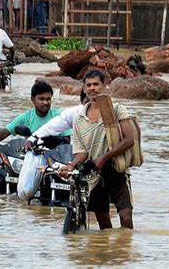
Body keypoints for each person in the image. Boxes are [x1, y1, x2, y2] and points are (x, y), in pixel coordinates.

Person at [59, 70, 135, 230]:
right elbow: (82, 152)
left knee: (126, 219)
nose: (92, 88)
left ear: (105, 86)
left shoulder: (116, 110)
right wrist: (71, 166)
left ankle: (123, 252)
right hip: (96, 175)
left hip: (118, 171)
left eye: (96, 84)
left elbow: (129, 140)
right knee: (104, 225)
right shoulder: (79, 119)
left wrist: (105, 158)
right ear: (84, 88)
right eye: (89, 85)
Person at [0, 80, 72, 147]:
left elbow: (67, 141)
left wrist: (53, 141)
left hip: (54, 158)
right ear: (32, 99)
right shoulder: (26, 117)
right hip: (31, 156)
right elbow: (6, 131)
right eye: (41, 99)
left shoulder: (59, 116)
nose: (45, 102)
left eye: (48, 99)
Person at [24, 88, 88, 149]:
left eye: (94, 101)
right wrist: (31, 139)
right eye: (87, 102)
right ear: (81, 101)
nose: (91, 105)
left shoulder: (56, 113)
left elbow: (67, 140)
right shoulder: (74, 113)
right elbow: (51, 127)